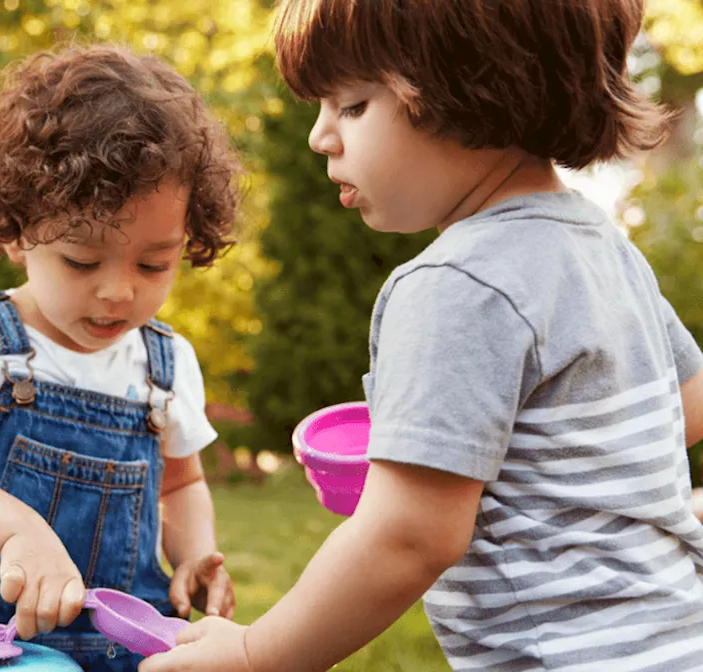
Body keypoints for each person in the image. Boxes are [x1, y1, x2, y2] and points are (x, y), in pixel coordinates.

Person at [140, 1, 703, 671]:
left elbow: (406, 539)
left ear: (472, 88)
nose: (321, 135)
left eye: (352, 105)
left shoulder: (454, 282)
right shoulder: (603, 247)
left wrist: (256, 654)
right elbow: (682, 408)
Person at [0, 44, 242, 671]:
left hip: (124, 648)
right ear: (18, 231)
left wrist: (195, 554)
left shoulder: (167, 363)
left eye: (154, 263)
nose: (118, 290)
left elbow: (182, 483)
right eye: (82, 260)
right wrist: (16, 530)